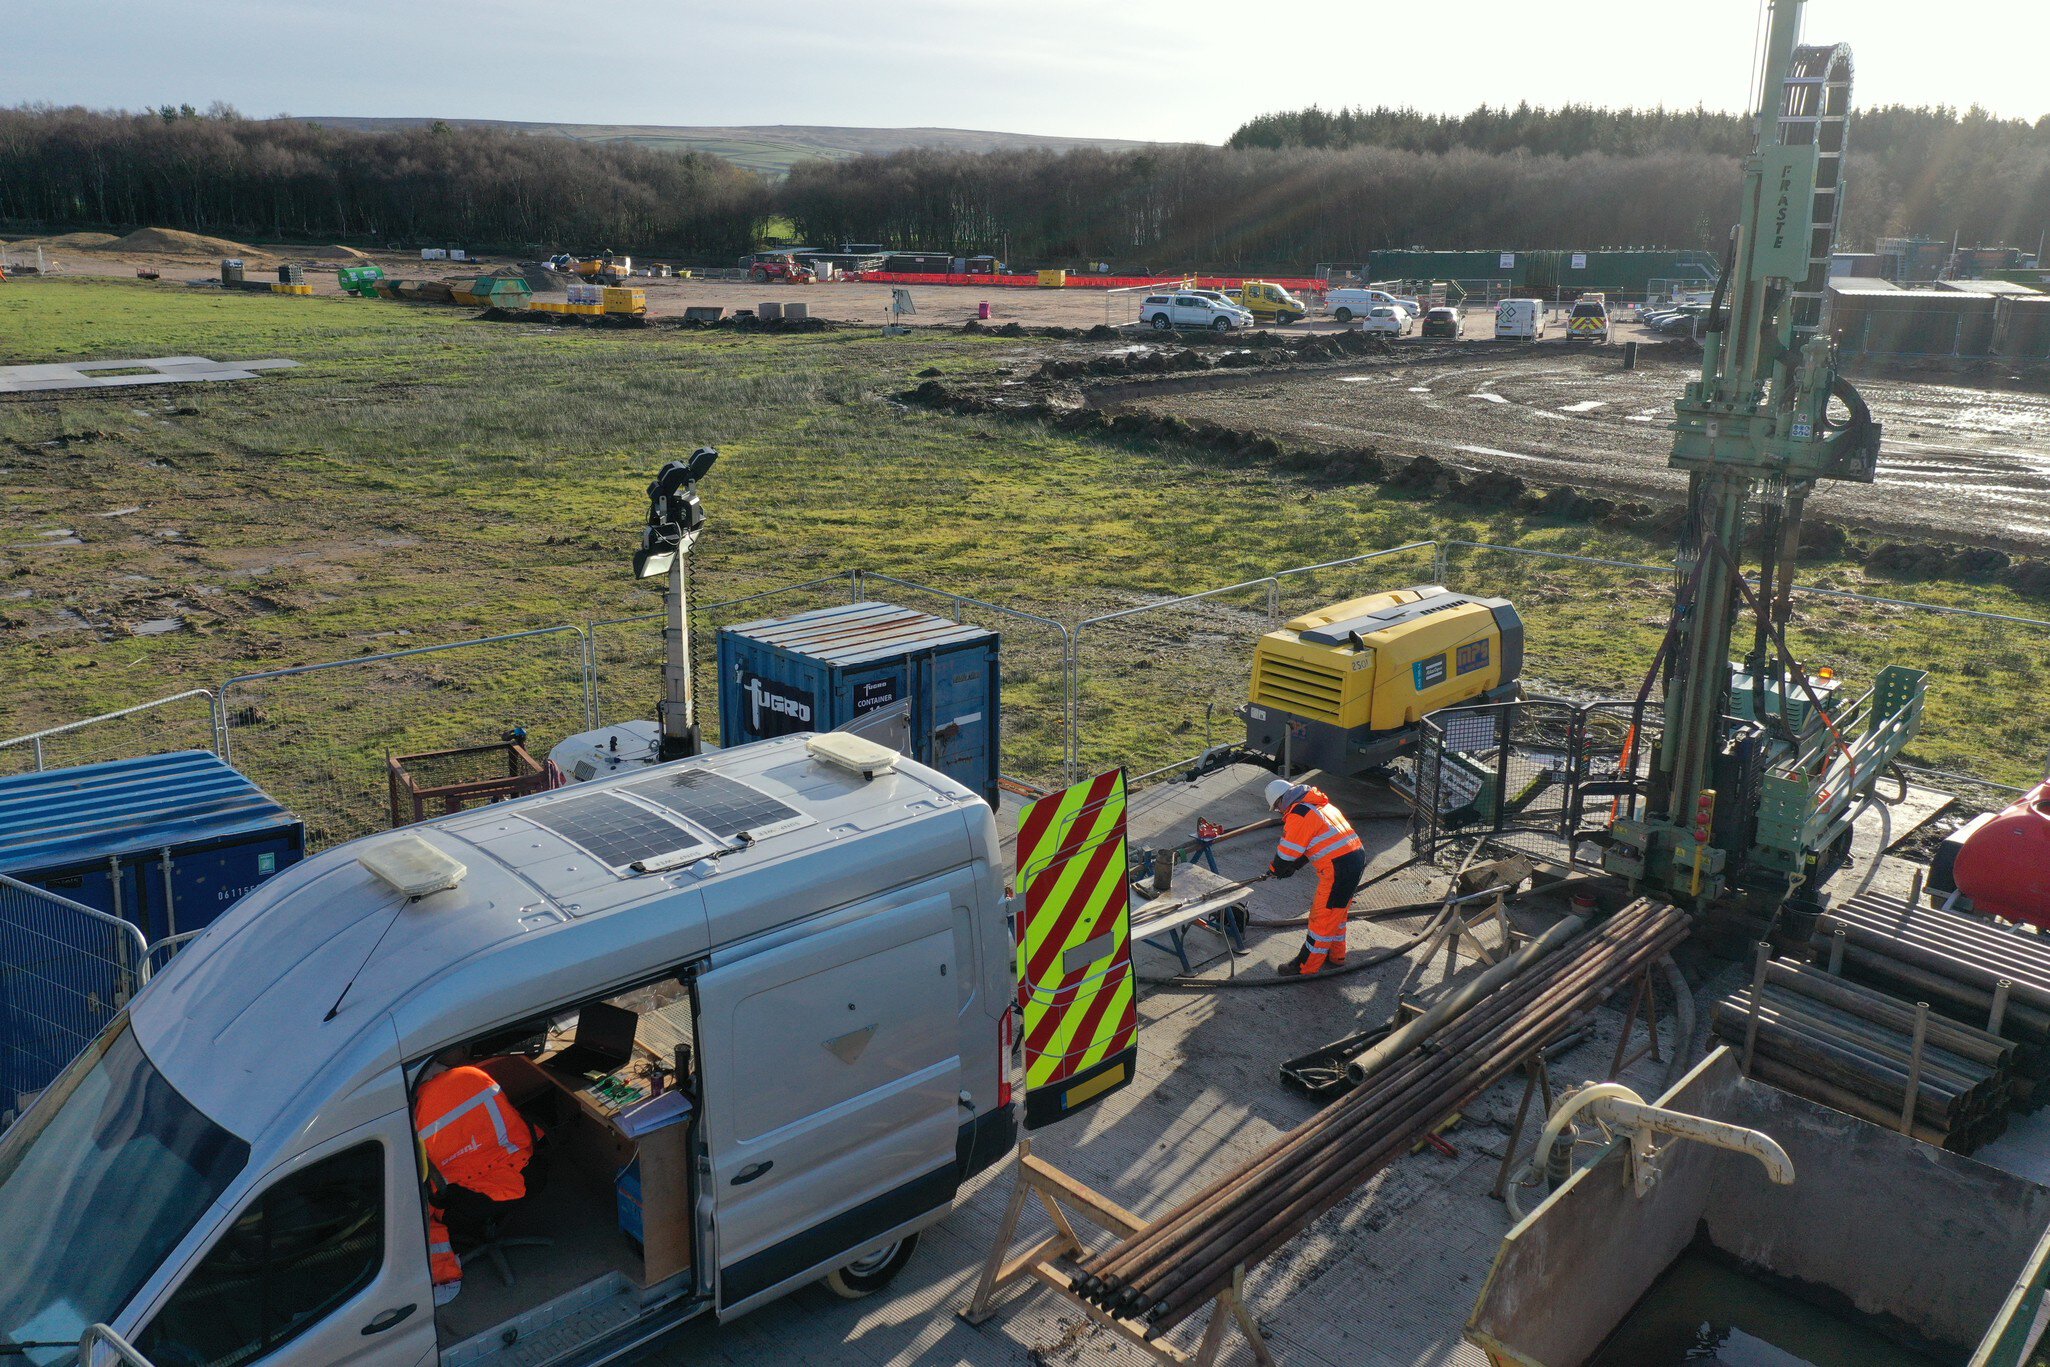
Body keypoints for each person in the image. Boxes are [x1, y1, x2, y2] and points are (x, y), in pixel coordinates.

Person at [414, 1055, 539, 1304]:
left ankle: (448, 1271)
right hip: (517, 1166)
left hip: (458, 1190)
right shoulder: (474, 1076)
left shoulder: (416, 1108)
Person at [1265, 779, 1366, 977]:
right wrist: (1294, 866)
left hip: (1339, 868)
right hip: (1354, 860)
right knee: (1336, 912)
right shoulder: (1318, 804)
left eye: (1277, 807)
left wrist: (1276, 869)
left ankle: (1305, 966)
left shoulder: (1300, 813)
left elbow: (1287, 853)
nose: (1279, 811)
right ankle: (1336, 955)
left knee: (1322, 918)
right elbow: (1313, 843)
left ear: (1280, 800)